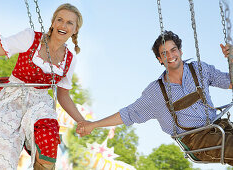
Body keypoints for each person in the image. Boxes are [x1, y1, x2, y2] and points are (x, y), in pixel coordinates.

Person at [77, 31, 233, 166]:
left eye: (173, 50)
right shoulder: (156, 92)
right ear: (160, 59)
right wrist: (94, 125)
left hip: (219, 126)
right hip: (196, 140)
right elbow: (128, 113)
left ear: (180, 51)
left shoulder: (200, 69)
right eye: (165, 53)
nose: (171, 56)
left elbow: (230, 82)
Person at [0, 3, 85, 170]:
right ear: (53, 22)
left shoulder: (70, 60)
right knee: (0, 149)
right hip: (13, 97)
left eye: (70, 23)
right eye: (60, 20)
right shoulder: (30, 38)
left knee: (48, 137)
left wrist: (82, 121)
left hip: (39, 103)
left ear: (75, 29)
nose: (63, 25)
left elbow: (63, 96)